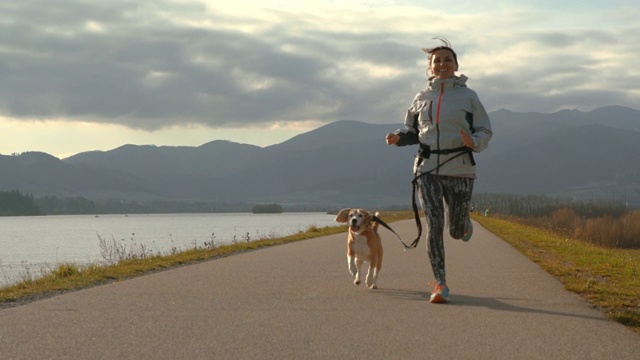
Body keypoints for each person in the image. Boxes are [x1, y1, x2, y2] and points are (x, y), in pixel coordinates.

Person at [385, 37, 493, 303]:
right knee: (435, 224)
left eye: (447, 59)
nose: (442, 64)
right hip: (427, 169)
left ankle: (463, 224)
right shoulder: (421, 98)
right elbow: (413, 131)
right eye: (437, 61)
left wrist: (474, 142)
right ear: (430, 68)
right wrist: (399, 137)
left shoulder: (469, 97)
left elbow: (484, 129)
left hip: (460, 168)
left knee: (455, 231)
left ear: (455, 65)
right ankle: (440, 284)